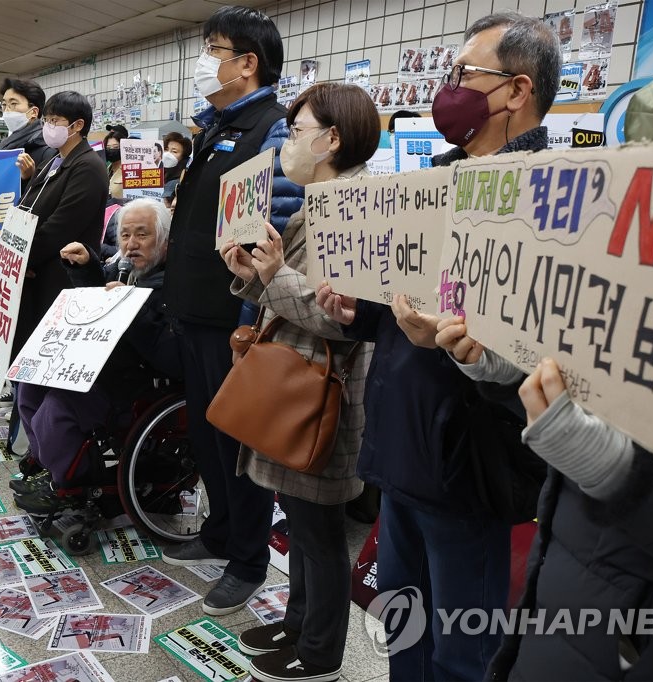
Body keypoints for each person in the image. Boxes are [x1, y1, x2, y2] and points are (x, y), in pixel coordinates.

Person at [435, 2, 653, 680]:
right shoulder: (638, 243)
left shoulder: (576, 213)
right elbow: (551, 360)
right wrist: (484, 361)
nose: (643, 95)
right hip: (574, 584)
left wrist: (621, 471)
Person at [314, 11, 560, 681]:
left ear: (516, 90)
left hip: (472, 468)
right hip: (401, 453)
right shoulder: (432, 180)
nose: (447, 87)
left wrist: (465, 348)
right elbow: (396, 307)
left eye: (464, 74)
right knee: (403, 630)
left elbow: (549, 351)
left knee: (461, 653)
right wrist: (355, 310)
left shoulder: (550, 197)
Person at [221, 83, 377, 682]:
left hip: (322, 390)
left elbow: (342, 318)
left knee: (319, 533)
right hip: (293, 381)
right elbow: (295, 296)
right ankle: (297, 623)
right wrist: (254, 275)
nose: (288, 144)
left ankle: (319, 654)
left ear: (332, 138)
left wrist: (276, 271)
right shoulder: (321, 199)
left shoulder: (357, 208)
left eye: (296, 130)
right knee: (303, 523)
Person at [160, 5, 303, 617]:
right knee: (205, 434)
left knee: (237, 445)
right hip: (192, 309)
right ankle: (219, 533)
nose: (203, 61)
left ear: (246, 63)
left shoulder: (271, 129)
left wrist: (250, 322)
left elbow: (271, 229)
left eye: (213, 49)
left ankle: (247, 560)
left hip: (231, 317)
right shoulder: (213, 128)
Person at [12, 198, 182, 513]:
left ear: (164, 241)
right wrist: (86, 266)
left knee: (58, 408)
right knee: (29, 385)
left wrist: (134, 309)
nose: (131, 244)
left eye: (142, 235)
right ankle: (47, 460)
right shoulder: (125, 269)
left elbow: (171, 356)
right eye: (125, 235)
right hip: (101, 368)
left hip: (137, 384)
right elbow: (101, 298)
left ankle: (65, 479)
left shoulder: (175, 286)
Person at [11, 91, 108, 466]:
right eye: (47, 119)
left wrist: (23, 257)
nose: (47, 126)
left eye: (54, 120)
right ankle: (38, 444)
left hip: (62, 280)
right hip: (38, 275)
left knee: (48, 369)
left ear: (77, 125)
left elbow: (58, 228)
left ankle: (52, 450)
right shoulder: (56, 160)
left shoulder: (88, 167)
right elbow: (31, 208)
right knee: (30, 367)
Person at [0, 77, 57, 192]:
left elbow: (47, 195)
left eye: (13, 103)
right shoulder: (4, 147)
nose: (6, 110)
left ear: (33, 112)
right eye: (4, 104)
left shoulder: (48, 149)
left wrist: (30, 177)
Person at [104, 124, 128, 202]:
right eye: (108, 148)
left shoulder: (129, 170)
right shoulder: (107, 169)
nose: (111, 150)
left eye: (116, 147)